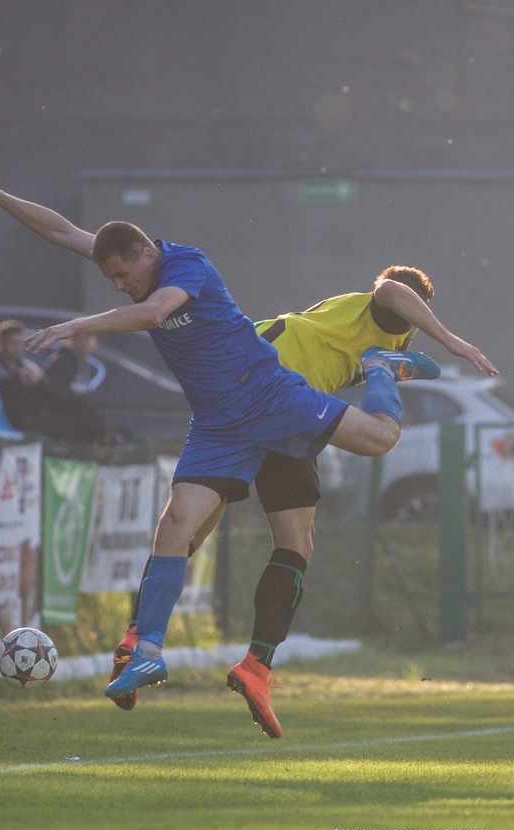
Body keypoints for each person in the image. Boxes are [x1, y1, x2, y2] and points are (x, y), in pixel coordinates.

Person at [0, 157, 443, 740]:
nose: (116, 284)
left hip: (270, 397)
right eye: (110, 278)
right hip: (232, 412)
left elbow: (153, 309)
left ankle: (219, 656)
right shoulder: (373, 312)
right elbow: (61, 230)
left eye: (120, 276)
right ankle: (156, 648)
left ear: (144, 256)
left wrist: (79, 325)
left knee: (343, 477)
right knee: (182, 525)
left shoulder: (188, 265)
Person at [108, 265, 499, 728]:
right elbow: (392, 289)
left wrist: (402, 365)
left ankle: (154, 642)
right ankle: (244, 662)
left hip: (258, 399)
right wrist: (449, 340)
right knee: (373, 444)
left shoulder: (344, 322)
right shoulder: (385, 316)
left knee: (211, 530)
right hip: (275, 394)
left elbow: (410, 352)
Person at [0, 319, 107, 444]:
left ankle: (98, 443)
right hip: (12, 419)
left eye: (19, 343)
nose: (16, 347)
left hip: (34, 416)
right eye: (12, 342)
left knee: (79, 412)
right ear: (1, 343)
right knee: (67, 425)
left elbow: (49, 393)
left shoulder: (28, 367)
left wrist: (36, 382)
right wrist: (17, 379)